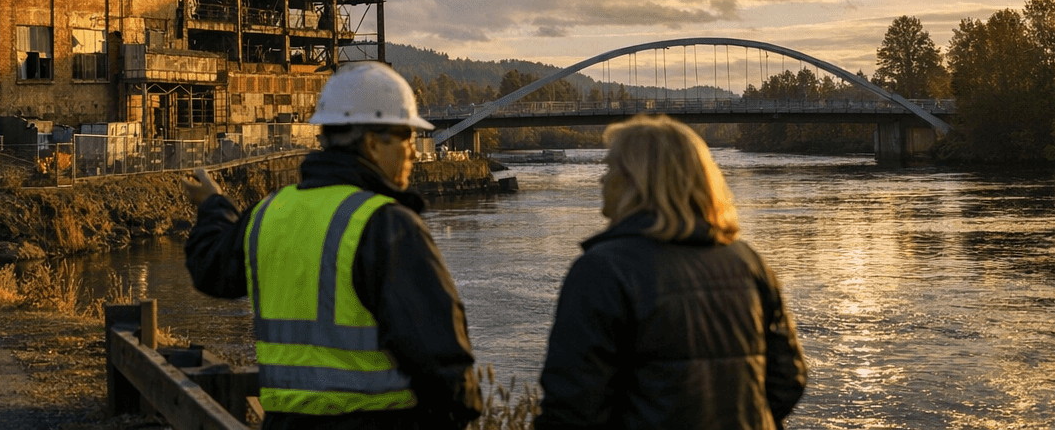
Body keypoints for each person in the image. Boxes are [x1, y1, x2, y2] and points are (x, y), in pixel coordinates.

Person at [184, 61, 482, 429]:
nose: (415, 152)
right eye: (406, 136)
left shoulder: (271, 212)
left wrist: (213, 205)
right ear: (372, 142)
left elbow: (210, 269)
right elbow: (443, 362)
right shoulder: (385, 225)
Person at [536, 115, 807, 430]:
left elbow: (573, 408)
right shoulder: (748, 262)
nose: (602, 180)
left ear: (638, 180)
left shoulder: (603, 270)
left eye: (610, 168)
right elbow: (788, 379)